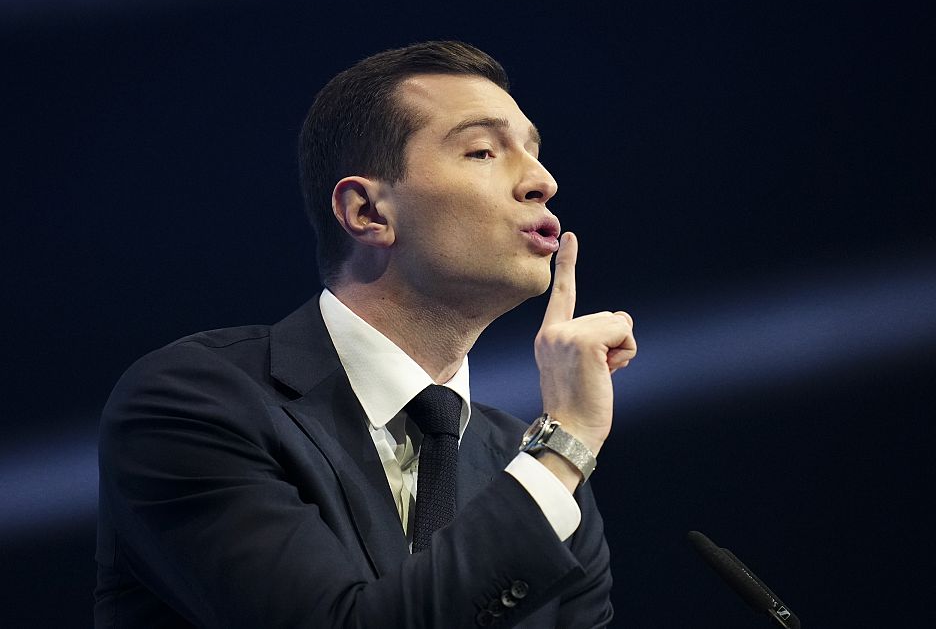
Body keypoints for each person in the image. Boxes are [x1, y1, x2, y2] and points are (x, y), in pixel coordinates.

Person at [94, 40, 636, 628]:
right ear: (367, 213)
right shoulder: (195, 402)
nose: (542, 181)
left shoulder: (540, 480)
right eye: (483, 151)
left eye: (534, 152)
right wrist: (565, 442)